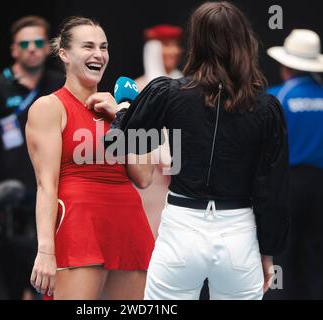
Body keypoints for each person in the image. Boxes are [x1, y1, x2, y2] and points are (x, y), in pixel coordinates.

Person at [110, 1, 290, 300]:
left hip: (182, 227)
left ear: (196, 42)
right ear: (245, 41)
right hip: (238, 233)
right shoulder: (266, 107)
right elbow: (272, 187)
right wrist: (268, 251)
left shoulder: (168, 92)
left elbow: (121, 142)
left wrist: (123, 110)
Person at [27, 16, 155, 300]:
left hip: (128, 224)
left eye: (104, 47)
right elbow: (46, 185)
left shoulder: (120, 107)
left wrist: (124, 116)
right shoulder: (49, 107)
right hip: (79, 224)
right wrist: (46, 250)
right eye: (88, 46)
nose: (99, 54)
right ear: (64, 54)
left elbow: (144, 177)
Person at [0, 16, 64, 299]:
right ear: (14, 50)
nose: (32, 49)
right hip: (12, 197)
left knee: (54, 275)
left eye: (38, 43)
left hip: (55, 192)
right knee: (17, 274)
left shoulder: (60, 84)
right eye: (25, 44)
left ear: (48, 48)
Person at [267, 29, 323, 299]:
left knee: (282, 253)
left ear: (286, 64)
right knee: (314, 251)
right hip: (320, 185)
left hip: (288, 183)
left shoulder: (277, 98)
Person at [134, 25, 183, 239]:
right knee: (151, 237)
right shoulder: (138, 88)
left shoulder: (188, 84)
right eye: (165, 46)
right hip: (151, 179)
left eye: (175, 45)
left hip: (185, 178)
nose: (173, 51)